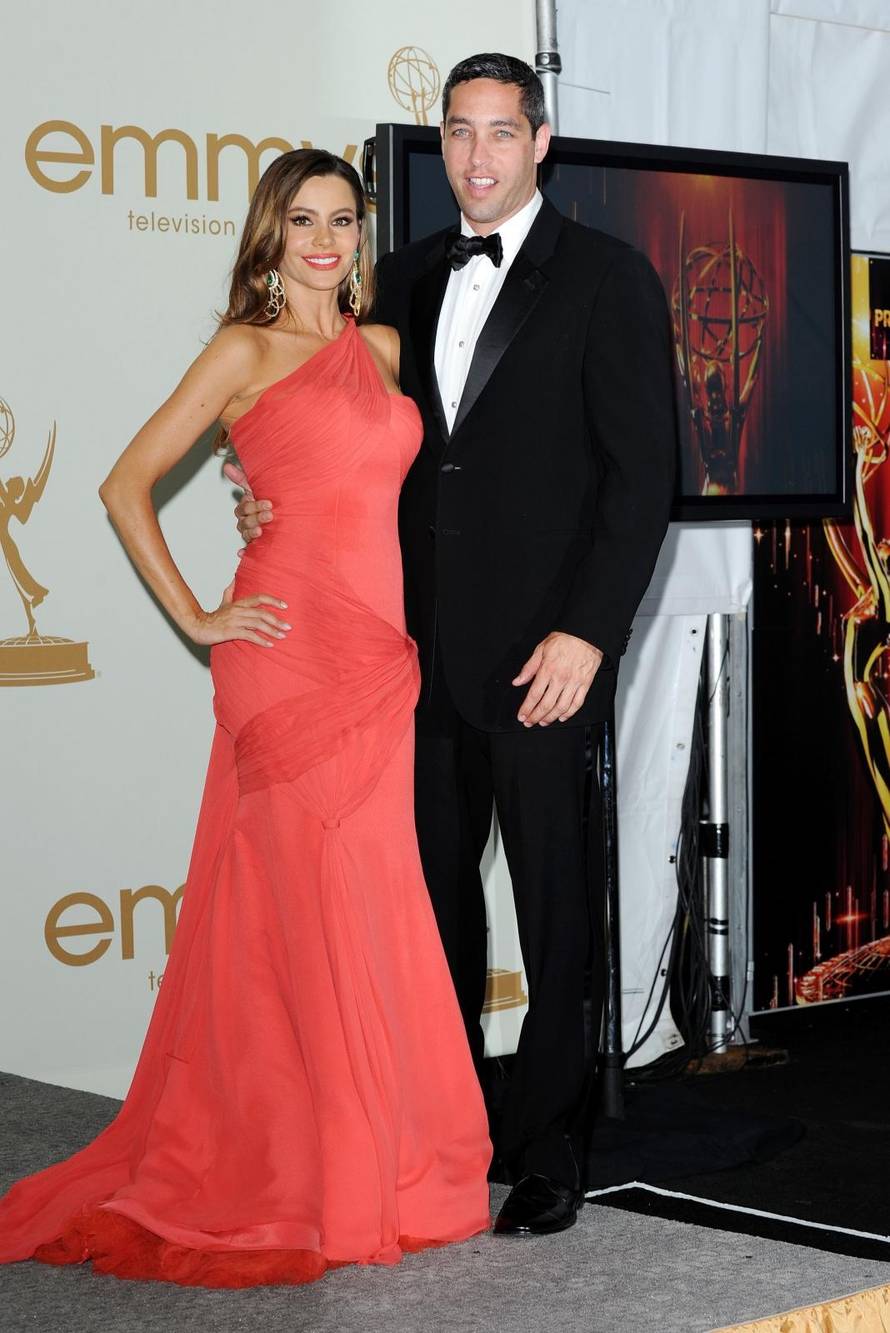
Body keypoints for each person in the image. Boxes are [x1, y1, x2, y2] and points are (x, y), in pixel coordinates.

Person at [0, 149, 491, 1287]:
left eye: (341, 221)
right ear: (268, 238)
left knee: (368, 905)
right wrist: (200, 618)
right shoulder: (241, 349)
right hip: (282, 655)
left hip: (377, 657)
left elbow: (383, 488)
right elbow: (124, 484)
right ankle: (303, 1167)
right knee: (297, 911)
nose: (323, 242)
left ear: (361, 237)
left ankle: (378, 1157)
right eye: (300, 222)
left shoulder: (379, 350)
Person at [232, 55, 677, 1238]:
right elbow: (342, 433)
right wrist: (261, 494)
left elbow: (643, 481)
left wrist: (588, 631)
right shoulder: (404, 280)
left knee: (554, 917)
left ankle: (547, 1150)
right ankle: (449, 1132)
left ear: (540, 142)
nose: (475, 157)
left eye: (498, 133)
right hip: (404, 660)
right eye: (456, 135)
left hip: (543, 658)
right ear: (438, 146)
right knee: (427, 916)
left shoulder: (607, 277)